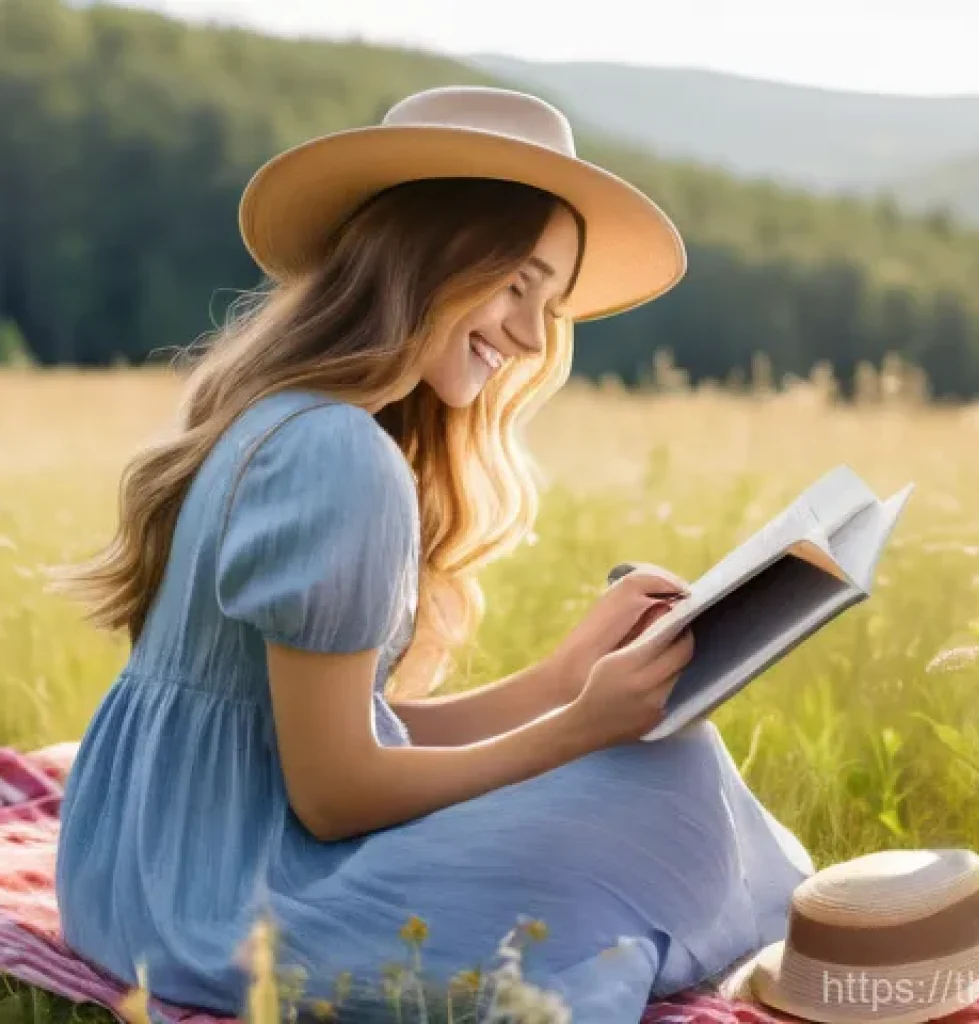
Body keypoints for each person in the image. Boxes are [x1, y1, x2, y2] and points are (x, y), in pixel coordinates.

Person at [53, 86, 814, 1022]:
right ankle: (807, 942)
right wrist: (579, 730)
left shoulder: (289, 423)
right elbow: (337, 794)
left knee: (656, 762)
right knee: (663, 776)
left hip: (135, 877)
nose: (531, 337)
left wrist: (563, 682)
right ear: (430, 253)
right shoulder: (339, 454)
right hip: (218, 908)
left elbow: (334, 732)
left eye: (549, 304)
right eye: (518, 285)